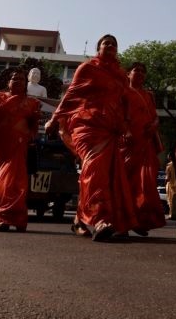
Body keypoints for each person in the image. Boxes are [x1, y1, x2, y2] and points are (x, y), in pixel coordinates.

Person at [45, 34, 137, 242]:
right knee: (95, 171)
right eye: (106, 43)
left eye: (114, 43)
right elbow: (71, 95)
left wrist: (127, 129)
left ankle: (80, 218)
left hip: (110, 129)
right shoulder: (87, 68)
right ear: (98, 47)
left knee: (104, 174)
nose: (111, 45)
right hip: (87, 126)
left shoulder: (121, 75)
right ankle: (99, 218)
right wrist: (54, 118)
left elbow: (124, 105)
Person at [0, 69, 41, 232]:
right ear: (8, 83)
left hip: (16, 148)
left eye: (21, 79)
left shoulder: (32, 103)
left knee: (10, 182)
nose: (18, 81)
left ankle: (5, 216)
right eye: (14, 78)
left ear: (26, 84)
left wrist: (29, 136)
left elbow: (34, 126)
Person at [122, 61, 166, 234]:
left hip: (146, 143)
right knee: (125, 183)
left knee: (145, 184)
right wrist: (125, 131)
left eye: (142, 71)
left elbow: (155, 116)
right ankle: (123, 221)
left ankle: (140, 221)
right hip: (128, 143)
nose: (139, 73)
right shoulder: (123, 92)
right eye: (135, 70)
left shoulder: (149, 95)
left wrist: (154, 125)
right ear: (128, 74)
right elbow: (118, 114)